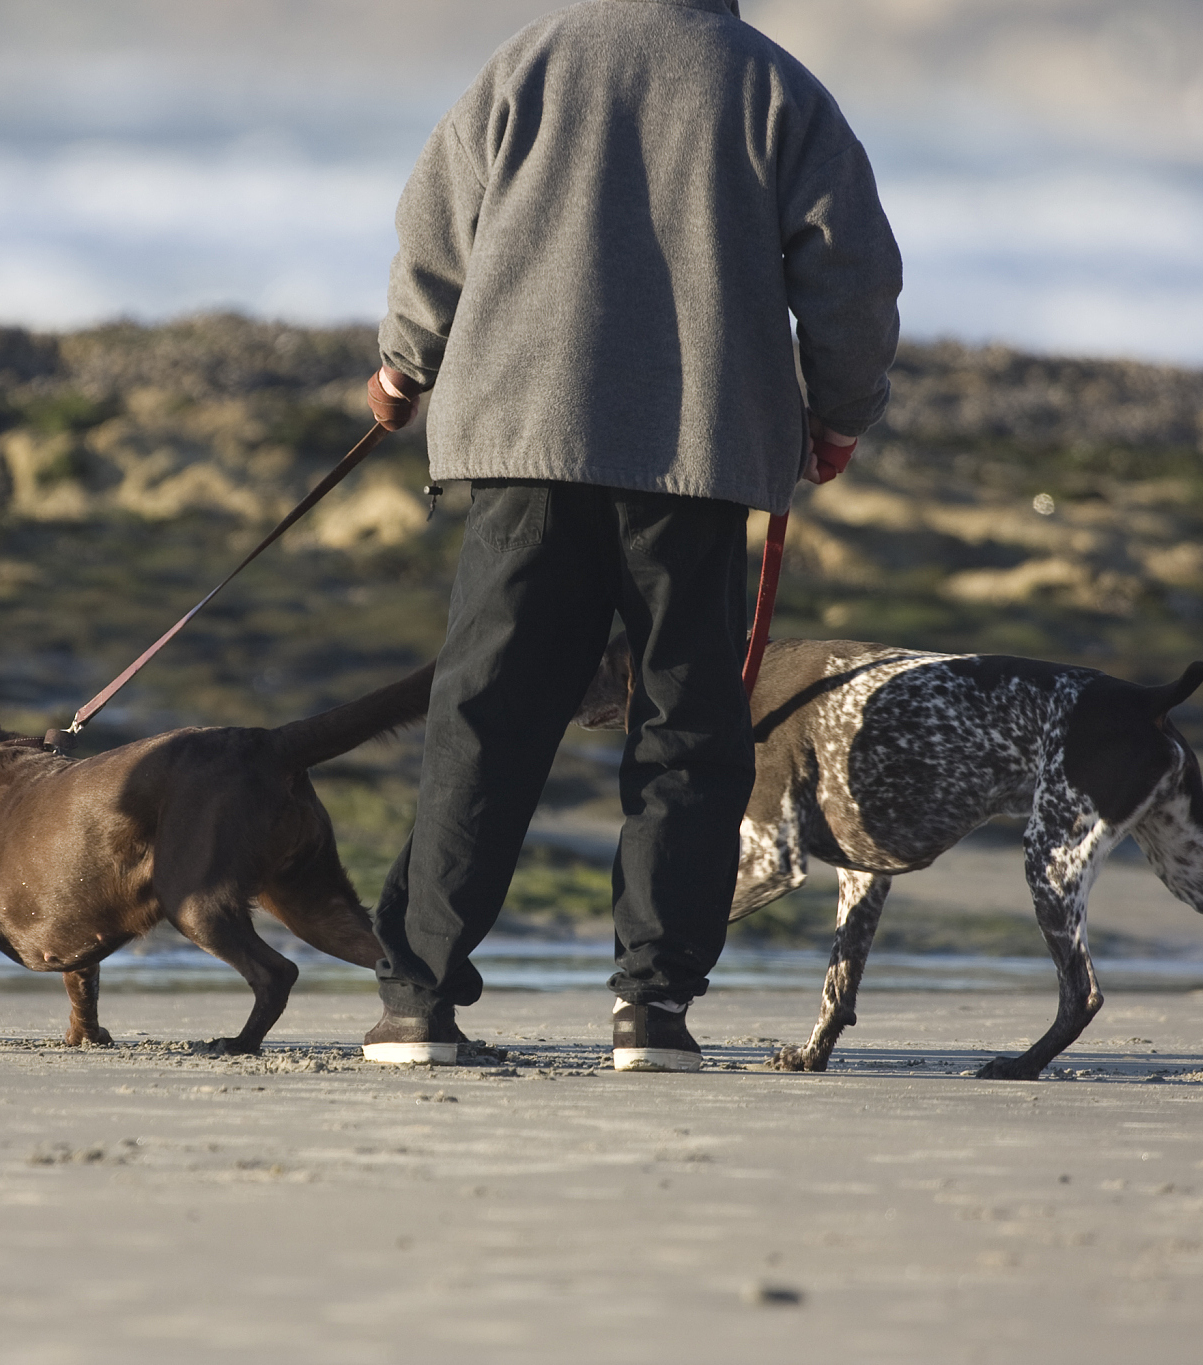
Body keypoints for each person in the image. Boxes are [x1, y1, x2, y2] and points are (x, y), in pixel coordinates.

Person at [359, 0, 901, 1072]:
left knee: (486, 715)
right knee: (688, 727)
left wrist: (403, 363)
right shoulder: (774, 86)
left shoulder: (530, 61)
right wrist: (838, 411)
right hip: (694, 457)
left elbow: (434, 223)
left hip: (524, 439)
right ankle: (650, 1012)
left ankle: (416, 1003)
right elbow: (850, 273)